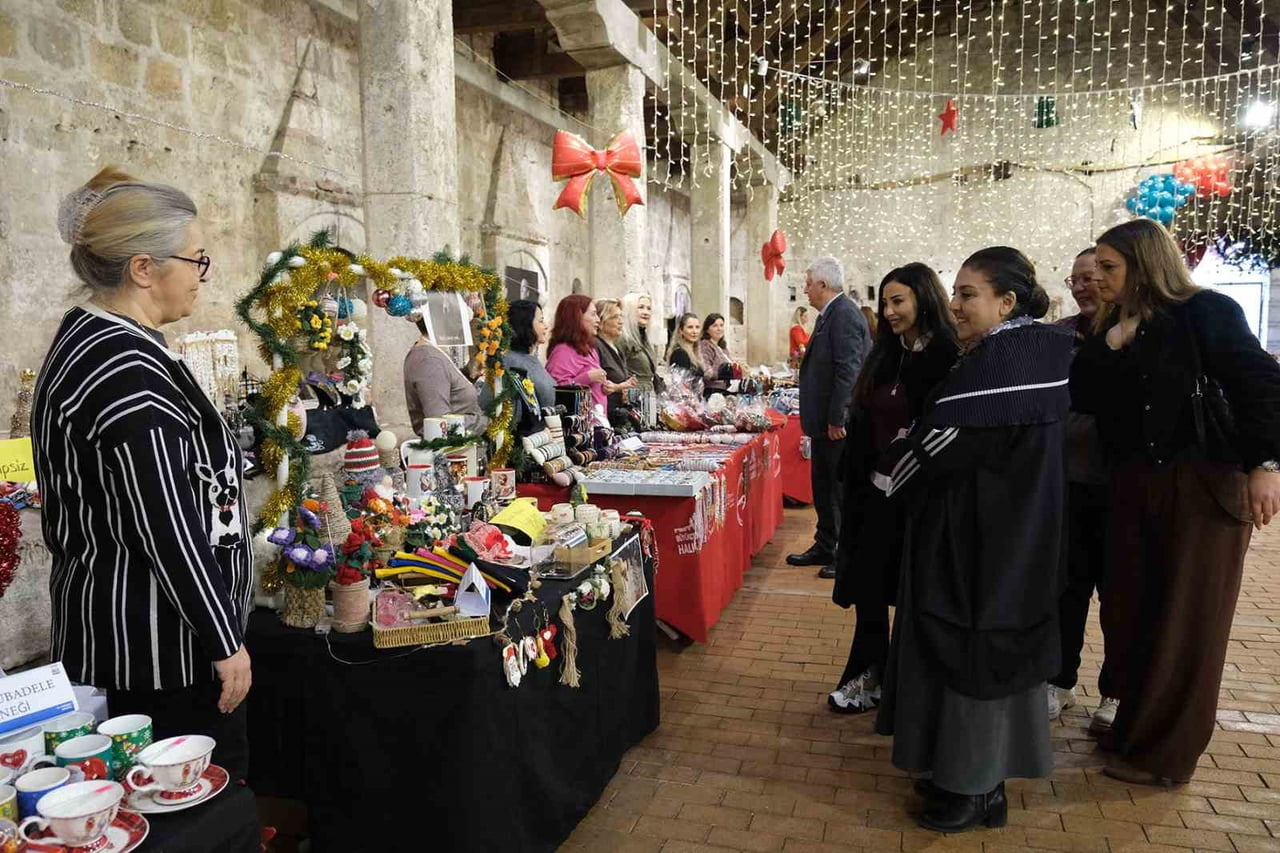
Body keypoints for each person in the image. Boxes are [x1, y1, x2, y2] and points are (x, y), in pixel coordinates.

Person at [31, 168, 254, 780]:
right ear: (144, 268)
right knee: (188, 807)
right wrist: (223, 640)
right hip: (156, 650)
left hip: (135, 633)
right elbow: (166, 525)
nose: (201, 275)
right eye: (196, 259)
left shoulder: (102, 340)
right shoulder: (127, 370)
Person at [1071, 219, 1280, 787]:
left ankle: (1165, 755)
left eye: (1111, 268)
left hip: (1203, 486)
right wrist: (1110, 343)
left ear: (1145, 264)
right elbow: (1085, 395)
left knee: (1186, 621)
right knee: (1131, 612)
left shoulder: (1203, 312)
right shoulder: (1113, 324)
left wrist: (1265, 464)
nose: (1099, 280)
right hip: (1135, 485)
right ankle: (1133, 729)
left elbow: (1260, 382)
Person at [874, 247, 1072, 832]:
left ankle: (974, 785)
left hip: (983, 539)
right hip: (1010, 532)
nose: (954, 305)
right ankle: (970, 781)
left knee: (972, 654)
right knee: (982, 651)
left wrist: (885, 474)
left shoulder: (1004, 362)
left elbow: (937, 448)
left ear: (1006, 302)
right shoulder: (1032, 352)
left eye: (967, 294)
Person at [827, 263, 958, 711]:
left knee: (912, 592)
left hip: (920, 497)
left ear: (924, 298)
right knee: (869, 588)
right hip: (873, 493)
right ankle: (868, 674)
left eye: (898, 301)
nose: (889, 311)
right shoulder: (885, 353)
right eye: (885, 303)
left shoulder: (947, 353)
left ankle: (906, 683)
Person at [1048, 249, 1118, 731]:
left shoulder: (1139, 334)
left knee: (1120, 596)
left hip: (1121, 491)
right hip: (1067, 486)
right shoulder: (1060, 335)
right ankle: (1059, 682)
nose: (1081, 286)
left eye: (1091, 277)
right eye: (1075, 279)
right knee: (1066, 590)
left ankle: (1116, 693)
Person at [786, 258, 871, 576]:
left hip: (835, 425)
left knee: (838, 492)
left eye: (808, 283)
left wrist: (838, 417)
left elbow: (848, 370)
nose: (805, 289)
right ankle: (825, 545)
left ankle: (843, 554)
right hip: (823, 423)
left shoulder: (844, 314)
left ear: (822, 284)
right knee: (823, 488)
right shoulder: (830, 314)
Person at [405, 314, 489, 438]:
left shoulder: (432, 352)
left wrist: (469, 373)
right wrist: (486, 422)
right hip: (450, 452)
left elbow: (446, 385)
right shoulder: (429, 359)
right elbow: (440, 423)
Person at [546, 294, 608, 414]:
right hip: (576, 427)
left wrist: (607, 387)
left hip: (597, 423)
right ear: (577, 317)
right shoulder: (562, 352)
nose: (598, 320)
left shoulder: (590, 349)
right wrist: (587, 378)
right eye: (593, 314)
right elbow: (557, 391)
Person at [504, 299, 556, 409]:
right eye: (541, 321)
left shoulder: (531, 358)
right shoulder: (512, 361)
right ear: (525, 323)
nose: (546, 326)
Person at [595, 298, 639, 413]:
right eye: (615, 317)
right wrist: (619, 387)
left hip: (619, 412)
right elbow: (597, 384)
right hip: (604, 412)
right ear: (601, 321)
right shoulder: (596, 346)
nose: (620, 322)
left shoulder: (617, 348)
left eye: (621, 317)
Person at [618, 292, 665, 394]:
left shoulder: (644, 337)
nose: (646, 312)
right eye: (641, 307)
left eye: (649, 308)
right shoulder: (623, 339)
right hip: (633, 397)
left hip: (648, 396)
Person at [698, 313, 734, 396]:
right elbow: (706, 372)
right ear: (707, 329)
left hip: (727, 389)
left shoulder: (723, 347)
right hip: (713, 391)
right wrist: (723, 373)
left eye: (721, 325)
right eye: (715, 326)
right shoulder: (705, 345)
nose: (719, 329)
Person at [666, 312, 704, 389]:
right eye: (690, 327)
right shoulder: (680, 354)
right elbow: (679, 386)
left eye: (697, 327)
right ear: (681, 330)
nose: (694, 331)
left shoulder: (695, 353)